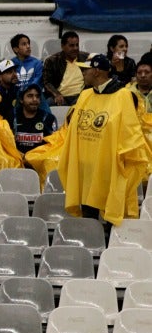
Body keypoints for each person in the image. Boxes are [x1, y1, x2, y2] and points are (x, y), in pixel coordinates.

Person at [58, 54, 150, 225]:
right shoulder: (85, 95)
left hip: (108, 168)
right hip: (85, 168)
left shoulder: (124, 96)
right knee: (88, 219)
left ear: (97, 71)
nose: (82, 74)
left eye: (86, 70)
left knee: (110, 218)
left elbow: (130, 133)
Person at [43, 31, 89, 105]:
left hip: (80, 96)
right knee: (47, 104)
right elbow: (46, 82)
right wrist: (56, 94)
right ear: (62, 46)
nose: (75, 48)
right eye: (71, 45)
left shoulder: (86, 58)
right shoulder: (52, 61)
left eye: (77, 45)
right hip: (61, 97)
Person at [13, 84, 57, 155]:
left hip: (40, 161)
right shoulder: (12, 116)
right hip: (16, 161)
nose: (35, 99)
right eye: (30, 96)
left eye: (37, 96)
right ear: (21, 100)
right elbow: (6, 144)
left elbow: (53, 146)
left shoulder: (48, 118)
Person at [0, 59, 19, 126]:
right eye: (9, 72)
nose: (14, 74)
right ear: (0, 77)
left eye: (15, 71)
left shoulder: (22, 92)